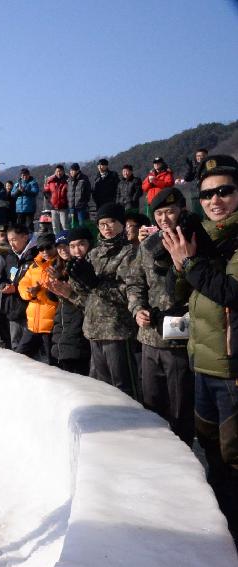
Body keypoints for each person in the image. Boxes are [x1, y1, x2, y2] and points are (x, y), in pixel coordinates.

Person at [163, 155, 238, 539]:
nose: (215, 199)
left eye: (225, 191)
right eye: (208, 193)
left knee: (232, 460)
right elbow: (180, 296)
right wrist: (180, 266)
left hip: (231, 370)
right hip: (202, 362)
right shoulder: (207, 237)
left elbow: (231, 292)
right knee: (209, 454)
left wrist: (190, 264)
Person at [126, 188, 194, 445]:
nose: (164, 218)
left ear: (182, 211)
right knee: (152, 406)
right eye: (159, 213)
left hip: (181, 339)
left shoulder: (193, 240)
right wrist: (137, 309)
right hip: (149, 337)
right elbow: (134, 282)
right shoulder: (147, 246)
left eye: (170, 211)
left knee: (180, 411)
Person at [68, 203, 137, 397]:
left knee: (123, 388)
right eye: (102, 224)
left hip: (118, 329)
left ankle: (134, 425)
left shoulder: (130, 252)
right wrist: (77, 279)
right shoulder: (94, 253)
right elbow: (85, 295)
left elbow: (129, 292)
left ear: (122, 224)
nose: (107, 228)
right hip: (93, 329)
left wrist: (96, 283)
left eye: (112, 222)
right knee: (101, 388)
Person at [46, 228, 92, 375]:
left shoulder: (83, 266)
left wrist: (65, 288)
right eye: (59, 247)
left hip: (79, 329)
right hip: (62, 326)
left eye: (66, 246)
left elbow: (84, 298)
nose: (63, 250)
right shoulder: (57, 266)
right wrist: (54, 285)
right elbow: (55, 298)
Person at [16, 232, 59, 364]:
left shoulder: (60, 263)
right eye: (41, 248)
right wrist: (31, 293)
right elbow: (22, 284)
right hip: (33, 323)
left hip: (51, 325)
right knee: (18, 358)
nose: (45, 251)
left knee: (53, 364)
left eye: (48, 247)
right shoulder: (34, 265)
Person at [0, 224, 36, 350]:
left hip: (29, 310)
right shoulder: (10, 256)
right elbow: (5, 277)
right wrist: (3, 285)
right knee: (15, 348)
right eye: (9, 241)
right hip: (13, 309)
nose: (11, 244)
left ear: (25, 237)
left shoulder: (36, 255)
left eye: (14, 240)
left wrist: (16, 288)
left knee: (29, 350)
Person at [44, 165, 69, 234]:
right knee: (55, 226)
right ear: (55, 172)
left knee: (65, 225)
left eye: (60, 171)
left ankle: (66, 241)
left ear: (63, 171)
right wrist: (50, 200)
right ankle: (57, 240)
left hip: (64, 207)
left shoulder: (68, 180)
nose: (59, 173)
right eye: (57, 171)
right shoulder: (51, 181)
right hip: (53, 207)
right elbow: (46, 192)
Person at [67, 163, 92, 228]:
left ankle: (83, 237)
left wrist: (84, 202)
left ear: (77, 170)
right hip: (72, 207)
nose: (71, 172)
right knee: (73, 225)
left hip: (81, 207)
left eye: (73, 170)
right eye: (71, 170)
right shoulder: (69, 180)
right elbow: (68, 193)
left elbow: (88, 191)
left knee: (82, 224)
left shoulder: (84, 179)